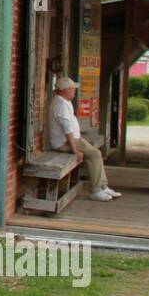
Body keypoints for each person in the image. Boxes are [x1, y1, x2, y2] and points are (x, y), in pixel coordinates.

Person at [48, 74, 120, 202]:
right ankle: (96, 190)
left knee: (95, 153)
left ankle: (103, 186)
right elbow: (67, 129)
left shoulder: (65, 102)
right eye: (72, 88)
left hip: (73, 139)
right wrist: (75, 150)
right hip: (65, 142)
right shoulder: (60, 105)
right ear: (65, 90)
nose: (74, 90)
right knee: (95, 154)